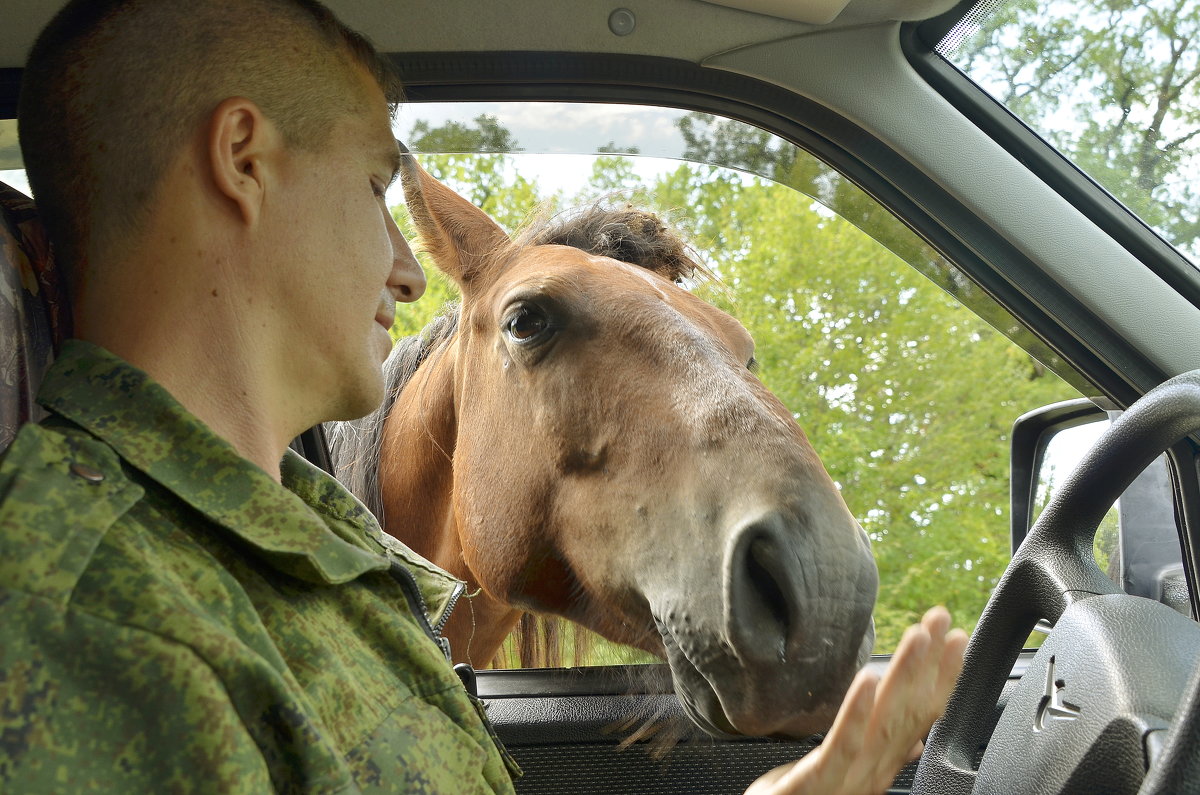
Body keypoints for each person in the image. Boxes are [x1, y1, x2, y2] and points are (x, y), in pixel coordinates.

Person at [0, 0, 967, 792]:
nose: (408, 273)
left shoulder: (315, 544)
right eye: (379, 185)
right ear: (245, 161)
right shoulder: (93, 625)